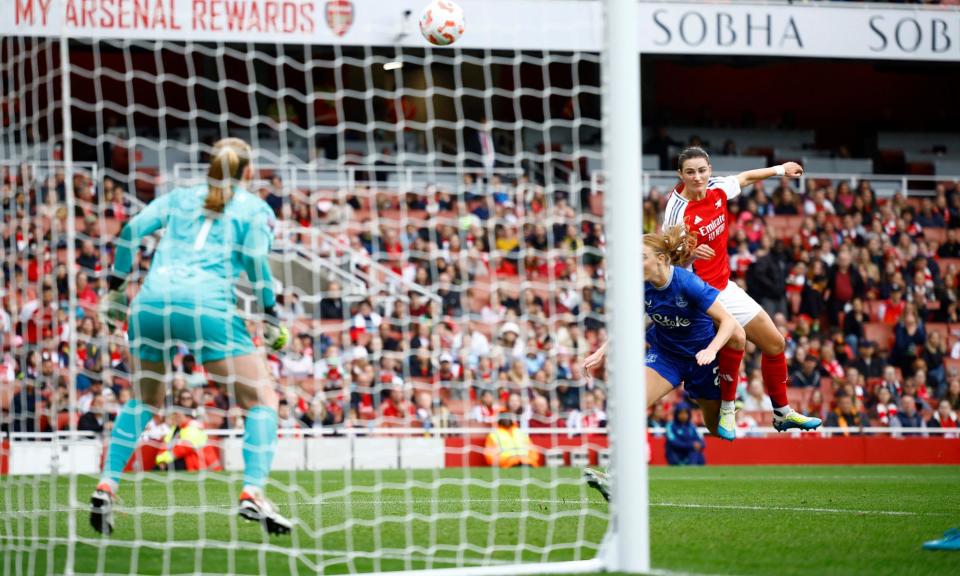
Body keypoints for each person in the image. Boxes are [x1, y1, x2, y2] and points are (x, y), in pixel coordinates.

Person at [91, 138, 291, 536]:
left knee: (145, 399)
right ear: (248, 172)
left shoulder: (179, 197)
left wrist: (115, 288)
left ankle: (107, 483)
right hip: (206, 306)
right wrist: (270, 312)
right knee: (262, 398)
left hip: (150, 302)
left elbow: (130, 230)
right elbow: (254, 259)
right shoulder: (254, 208)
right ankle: (252, 490)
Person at [662, 146, 822, 435]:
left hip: (724, 286)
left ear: (709, 169)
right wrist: (689, 254)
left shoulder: (718, 188)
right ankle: (727, 408)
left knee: (775, 343)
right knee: (735, 338)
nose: (697, 177)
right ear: (680, 175)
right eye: (690, 172)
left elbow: (746, 178)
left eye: (701, 170)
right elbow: (665, 260)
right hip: (696, 293)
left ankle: (782, 413)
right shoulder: (677, 209)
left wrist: (779, 170)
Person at [582, 225, 745, 500]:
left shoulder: (687, 283)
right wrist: (601, 352)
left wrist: (711, 350)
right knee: (630, 406)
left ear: (660, 259)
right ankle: (614, 479)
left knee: (716, 429)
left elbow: (729, 322)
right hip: (666, 357)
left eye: (641, 257)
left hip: (701, 359)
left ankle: (732, 403)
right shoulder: (638, 286)